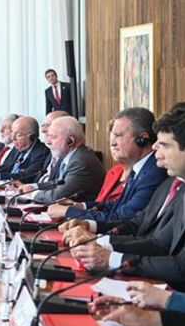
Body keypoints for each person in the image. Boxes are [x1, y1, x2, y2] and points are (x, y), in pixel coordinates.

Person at [70, 107, 185, 286]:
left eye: (165, 145)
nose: (156, 149)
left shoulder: (160, 175)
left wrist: (112, 259)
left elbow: (179, 265)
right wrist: (97, 238)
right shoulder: (171, 182)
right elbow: (149, 234)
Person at [47, 107, 165, 222]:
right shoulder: (140, 168)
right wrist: (80, 206)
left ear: (142, 138)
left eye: (119, 135)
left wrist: (67, 212)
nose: (113, 143)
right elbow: (115, 205)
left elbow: (121, 218)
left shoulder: (154, 172)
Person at [17, 116, 105, 203]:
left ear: (70, 141)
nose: (48, 142)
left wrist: (31, 194)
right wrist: (33, 187)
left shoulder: (81, 162)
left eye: (53, 137)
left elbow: (56, 197)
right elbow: (57, 183)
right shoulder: (72, 156)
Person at [0, 116, 50, 183]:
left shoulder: (41, 152)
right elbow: (7, 166)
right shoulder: (17, 148)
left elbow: (27, 176)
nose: (13, 138)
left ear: (32, 137)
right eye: (12, 133)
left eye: (18, 135)